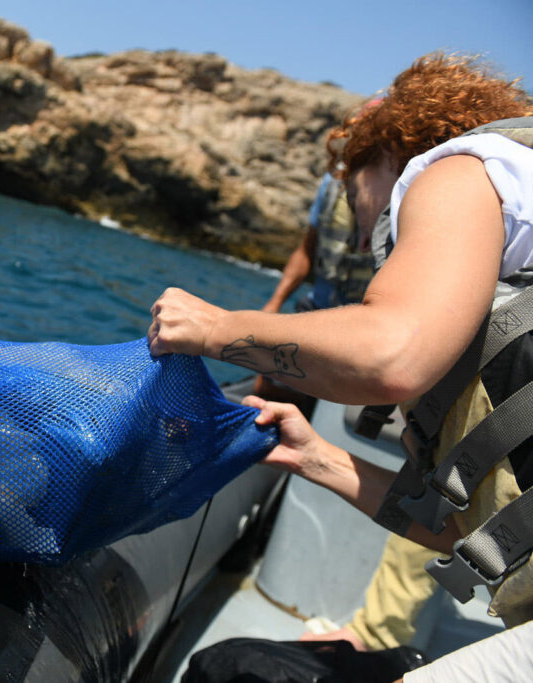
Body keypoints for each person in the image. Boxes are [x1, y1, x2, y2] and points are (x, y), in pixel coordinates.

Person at [148, 52, 533, 679]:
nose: (363, 243)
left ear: (383, 154)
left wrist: (215, 328)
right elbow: (475, 536)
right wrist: (316, 458)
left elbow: (391, 353)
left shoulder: (461, 169)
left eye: (356, 200)